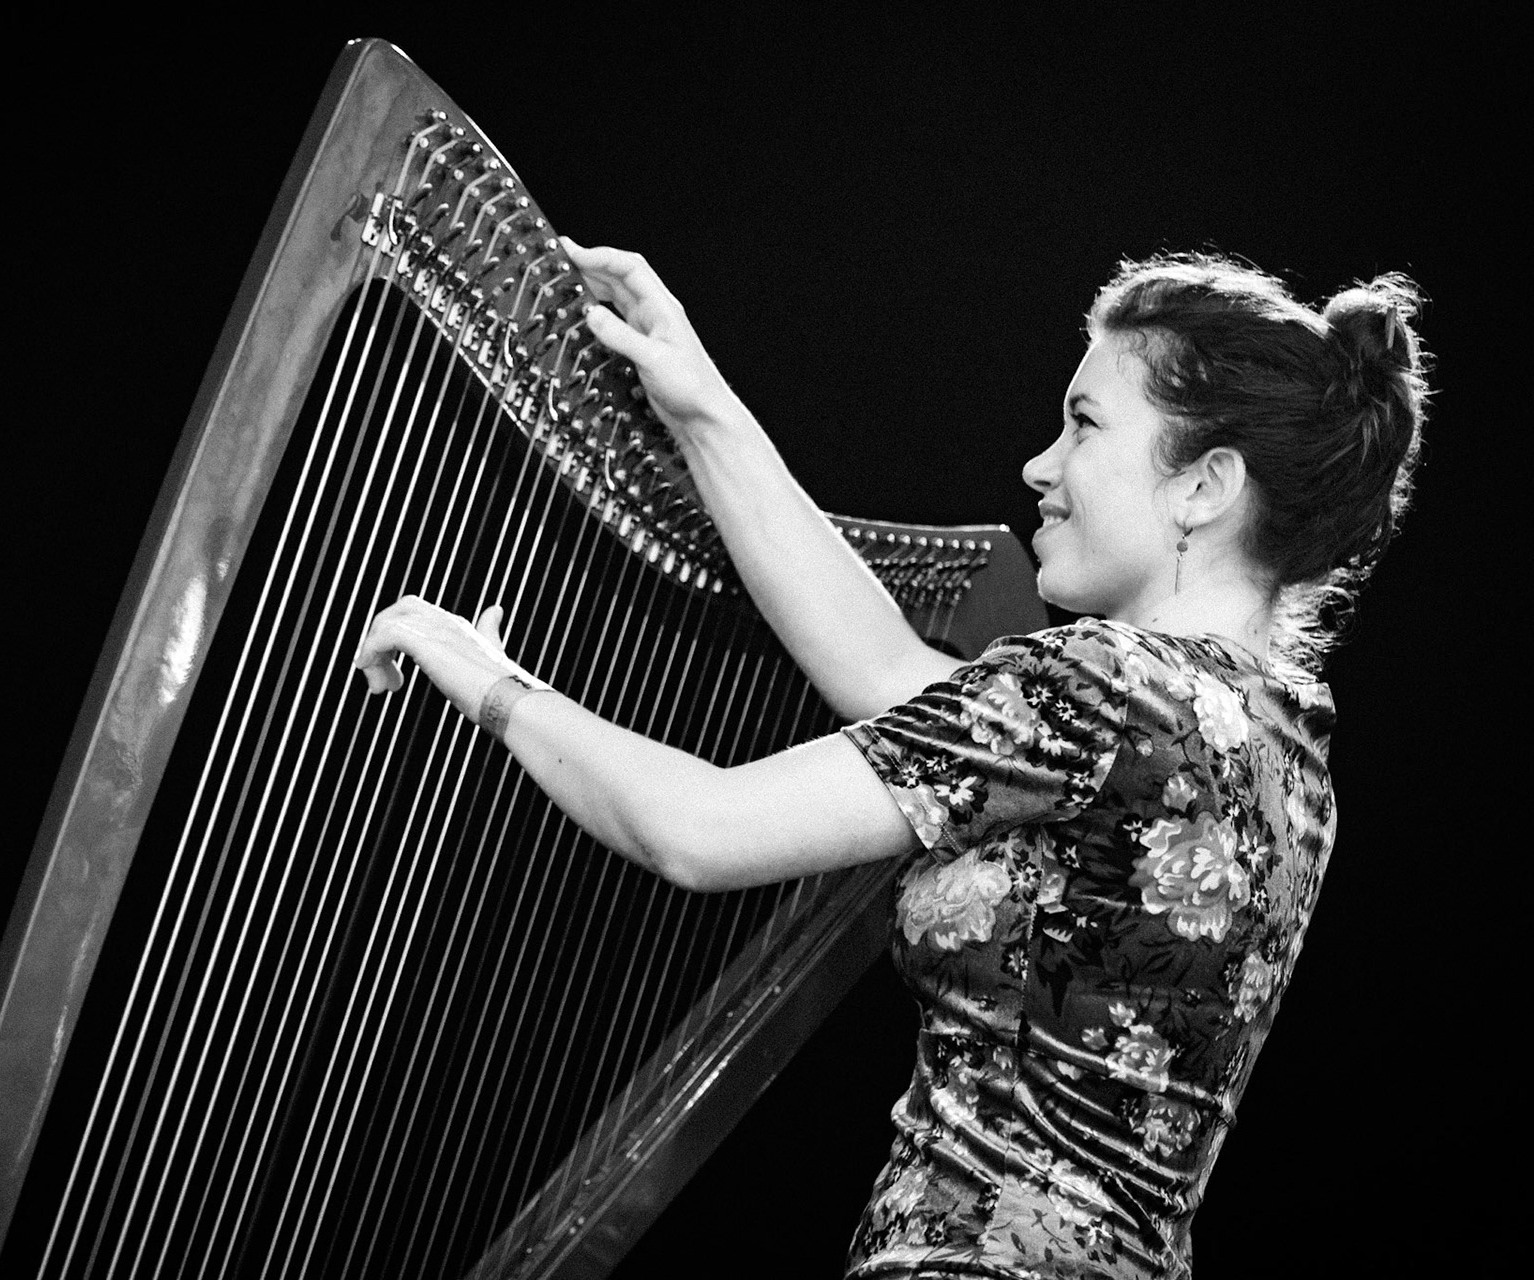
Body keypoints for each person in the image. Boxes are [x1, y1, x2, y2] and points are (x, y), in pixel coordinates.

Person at [353, 238, 1428, 1279]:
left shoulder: (1097, 682)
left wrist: (488, 679)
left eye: (1084, 426)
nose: (1039, 466)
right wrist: (702, 408)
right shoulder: (1280, 741)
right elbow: (886, 675)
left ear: (1204, 485)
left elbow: (698, 829)